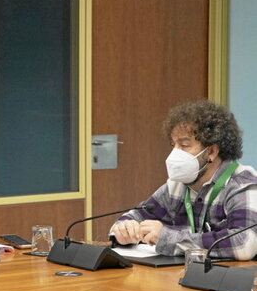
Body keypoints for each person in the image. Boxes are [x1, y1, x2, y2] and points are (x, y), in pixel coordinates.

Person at [110, 100, 257, 260]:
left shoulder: (243, 185)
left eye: (185, 145)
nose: (175, 154)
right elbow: (134, 217)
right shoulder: (176, 185)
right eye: (174, 145)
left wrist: (169, 238)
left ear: (212, 152)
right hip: (182, 277)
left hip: (229, 281)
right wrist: (123, 231)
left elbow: (243, 244)